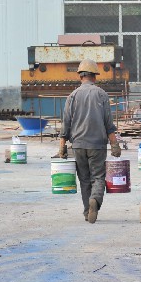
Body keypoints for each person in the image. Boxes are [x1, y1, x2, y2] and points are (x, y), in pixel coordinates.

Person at [57, 59, 121, 224]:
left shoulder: (72, 96)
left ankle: (87, 211)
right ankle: (95, 200)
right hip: (97, 145)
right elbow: (108, 123)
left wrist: (62, 147)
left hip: (78, 145)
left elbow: (66, 123)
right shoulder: (101, 94)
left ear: (80, 76)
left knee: (84, 179)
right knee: (98, 177)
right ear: (95, 76)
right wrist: (114, 145)